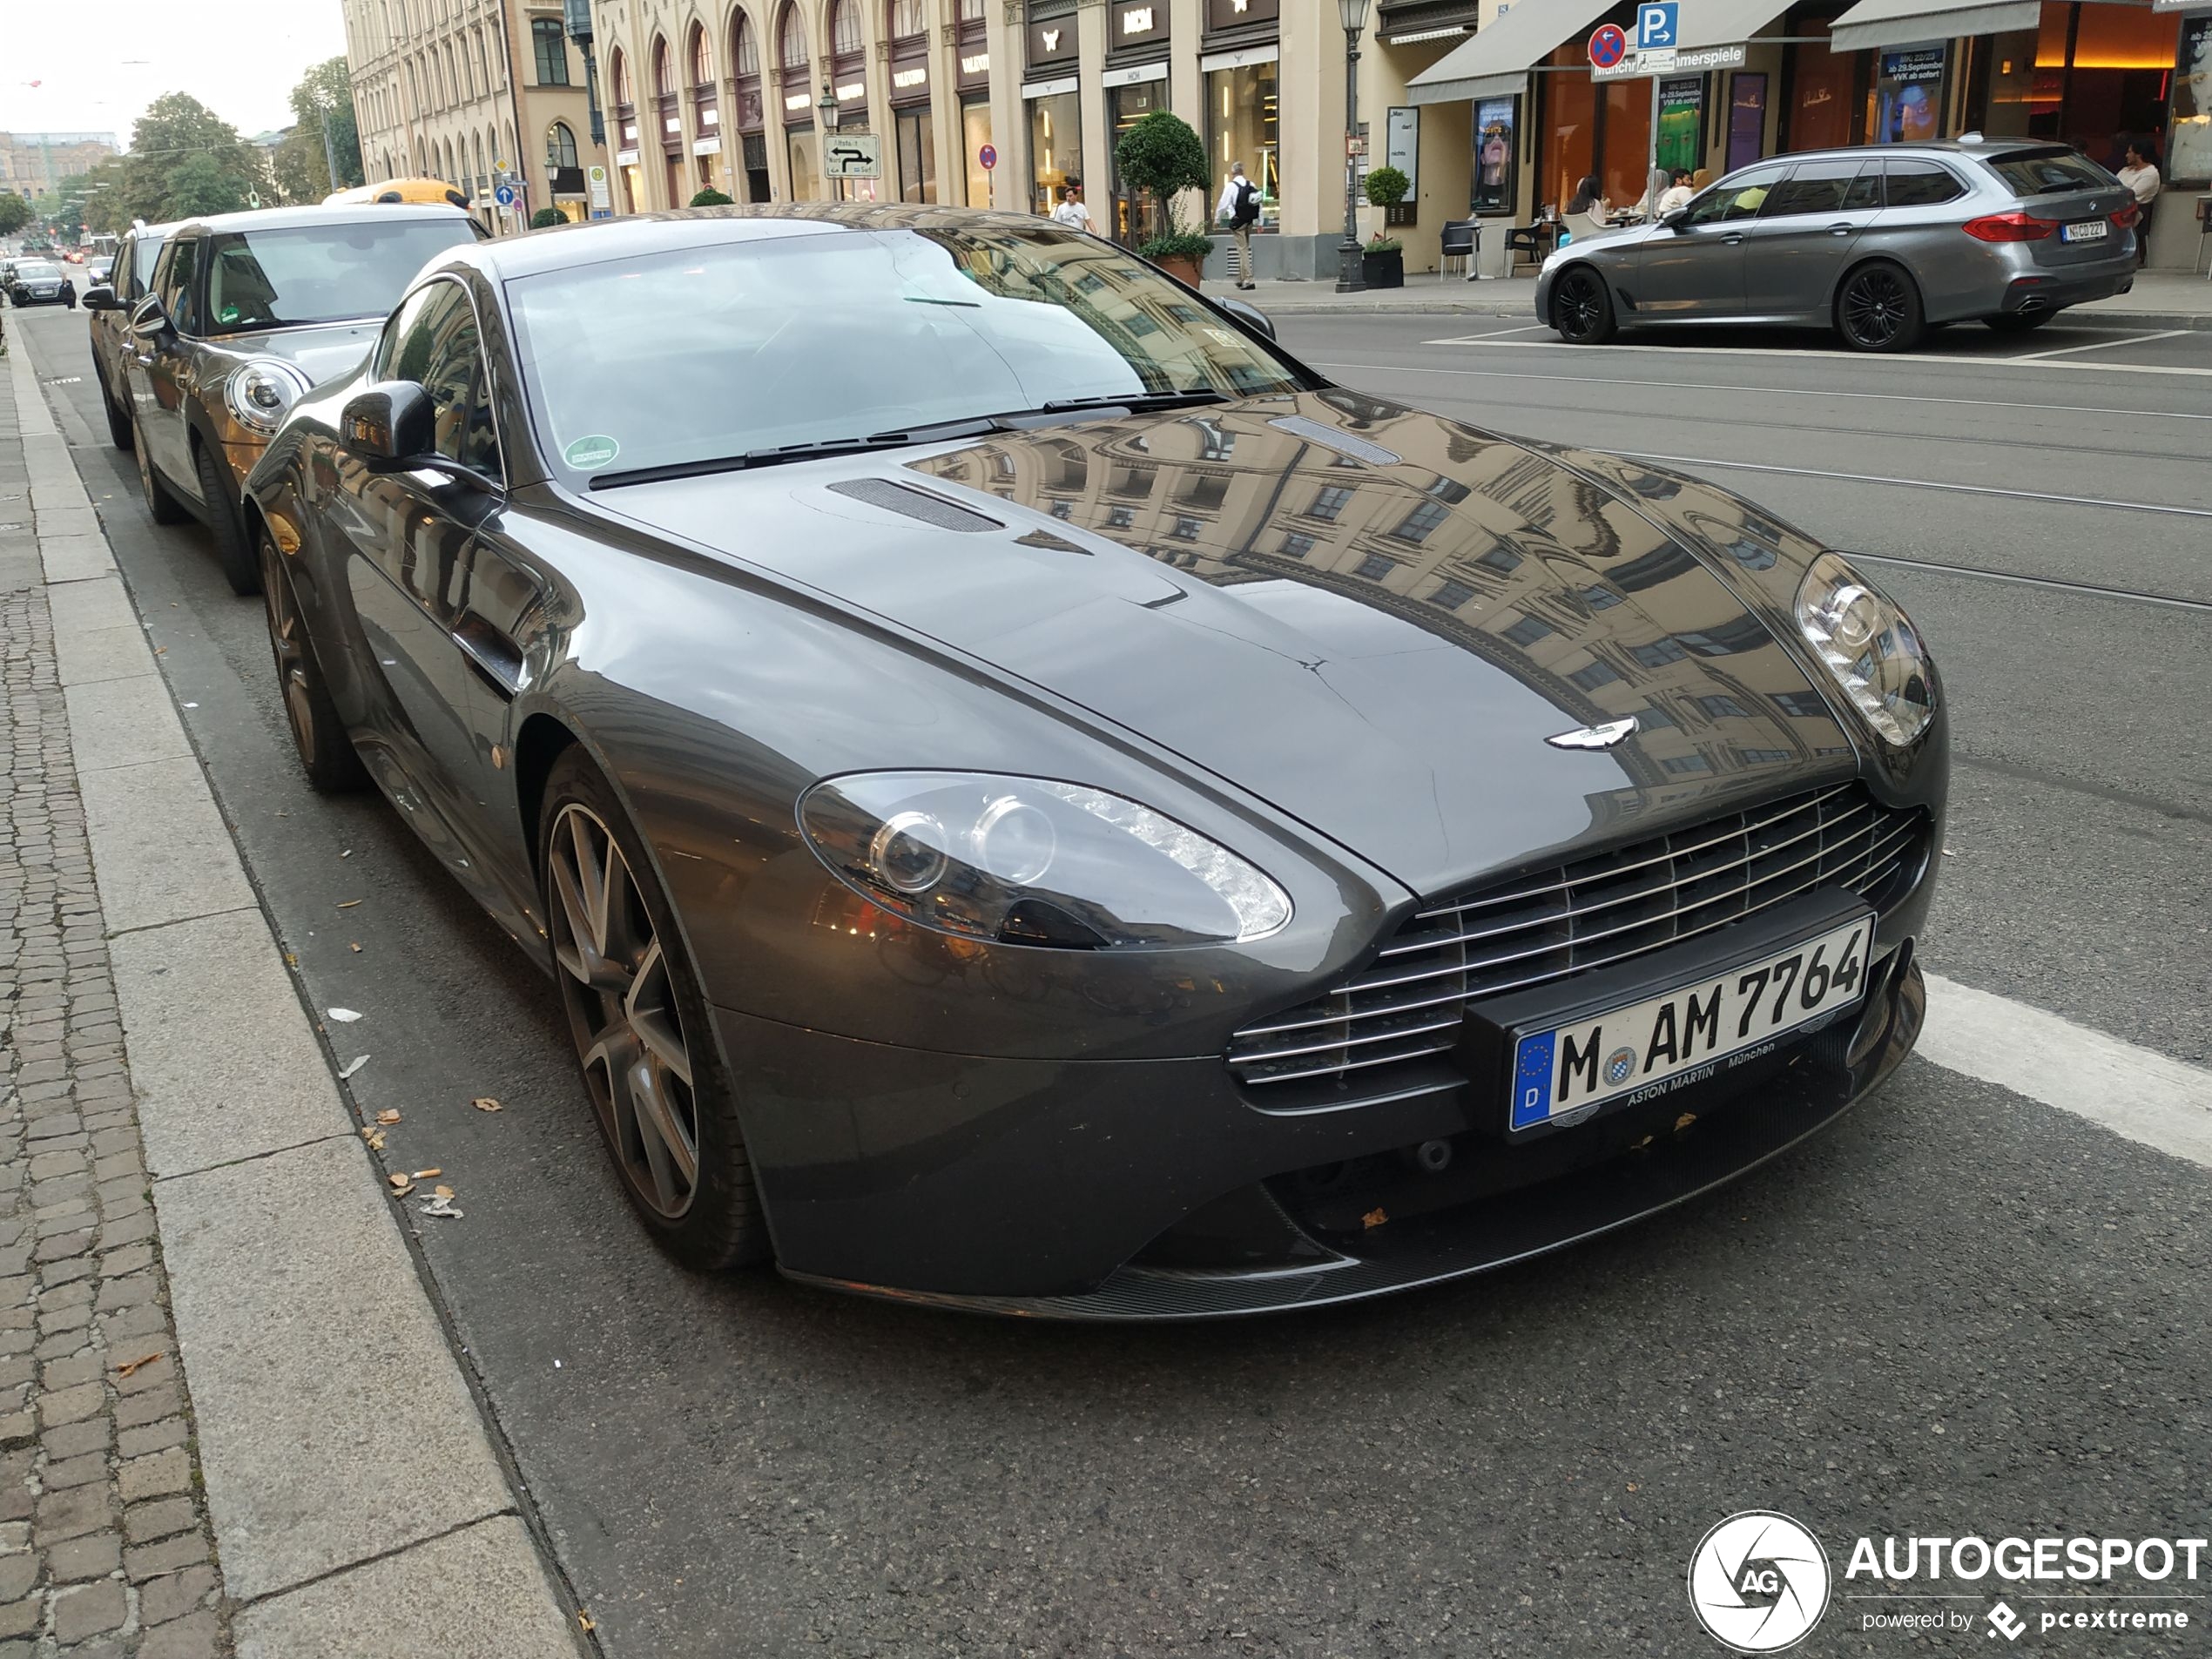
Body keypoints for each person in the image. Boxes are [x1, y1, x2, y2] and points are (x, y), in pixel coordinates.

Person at [1216, 161, 1261, 290]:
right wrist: (1260, 222)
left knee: (1243, 250)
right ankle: (1242, 278)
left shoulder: (1231, 186)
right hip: (1249, 222)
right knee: (1244, 249)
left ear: (1233, 173)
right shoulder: (1251, 184)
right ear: (1242, 172)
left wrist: (1217, 219)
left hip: (1238, 222)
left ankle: (1248, 279)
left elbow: (1223, 203)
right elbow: (1258, 203)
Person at [2116, 138, 2161, 266]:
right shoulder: (2126, 171)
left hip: (2135, 211)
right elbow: (2112, 186)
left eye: (2130, 152)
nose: (2126, 155)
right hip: (2115, 206)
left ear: (2139, 154)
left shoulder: (2150, 174)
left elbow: (2132, 195)